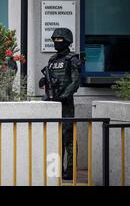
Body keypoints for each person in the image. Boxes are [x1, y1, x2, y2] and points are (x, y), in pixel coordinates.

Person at [39, 28, 80, 180]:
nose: (56, 43)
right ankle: (55, 170)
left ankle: (70, 171)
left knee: (68, 137)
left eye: (60, 40)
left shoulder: (72, 59)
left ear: (67, 41)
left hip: (65, 103)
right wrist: (44, 82)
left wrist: (63, 96)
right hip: (52, 102)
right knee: (54, 137)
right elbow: (50, 79)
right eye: (54, 40)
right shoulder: (52, 60)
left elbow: (75, 82)